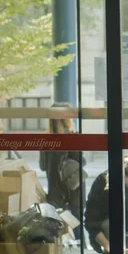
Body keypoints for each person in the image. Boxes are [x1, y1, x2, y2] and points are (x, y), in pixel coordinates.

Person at [39, 102, 85, 241]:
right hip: (74, 186)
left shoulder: (46, 139)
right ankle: (78, 253)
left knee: (58, 227)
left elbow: (43, 166)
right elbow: (80, 162)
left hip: (56, 188)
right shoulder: (74, 137)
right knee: (76, 225)